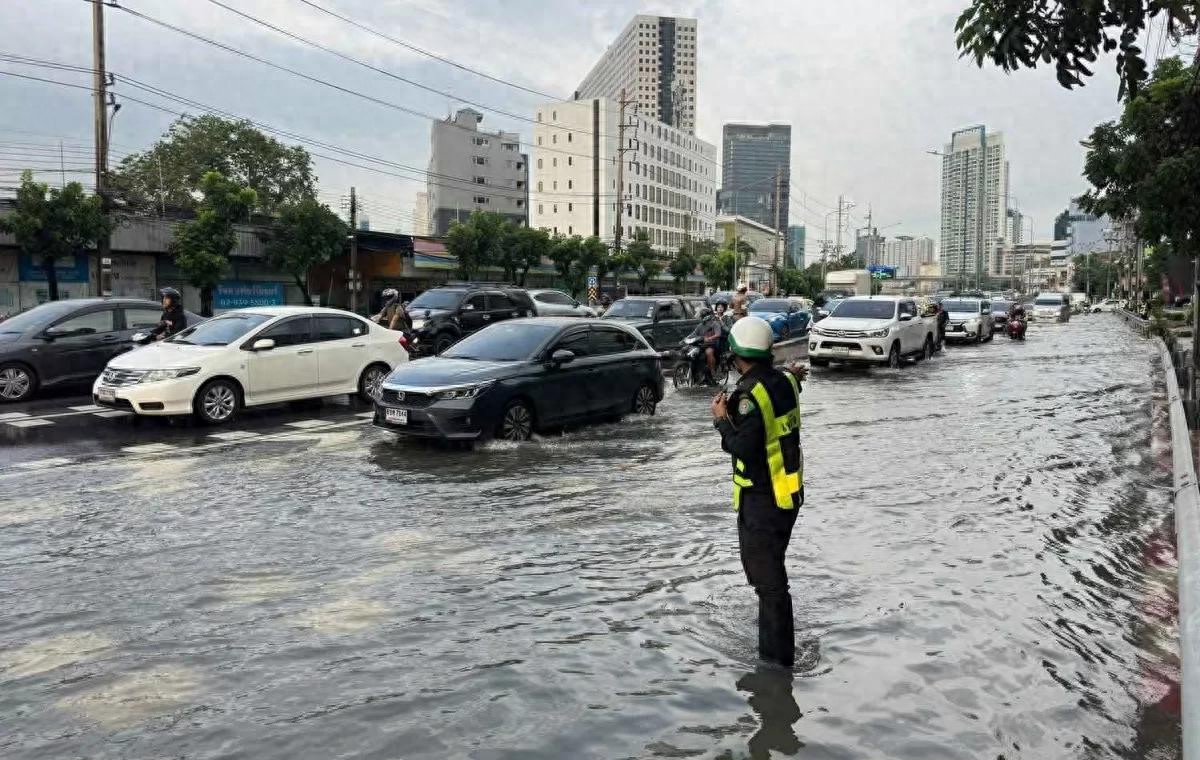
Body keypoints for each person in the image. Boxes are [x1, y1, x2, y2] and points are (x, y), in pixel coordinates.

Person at [711, 317, 805, 668]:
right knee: (772, 577)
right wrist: (795, 373)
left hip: (762, 503)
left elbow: (741, 446)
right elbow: (791, 384)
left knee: (770, 586)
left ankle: (775, 665)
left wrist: (721, 418)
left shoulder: (748, 396)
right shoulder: (786, 383)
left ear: (738, 355)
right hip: (787, 498)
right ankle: (776, 648)